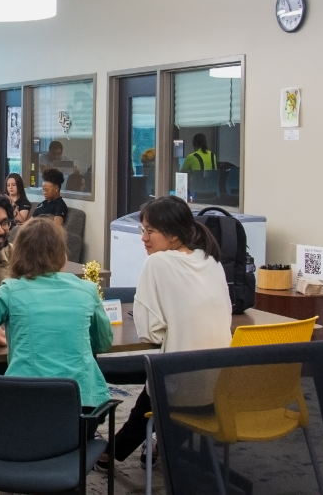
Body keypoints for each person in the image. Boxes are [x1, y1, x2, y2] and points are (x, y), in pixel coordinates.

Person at [98, 196, 232, 469]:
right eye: (142, 230)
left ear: (173, 235)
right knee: (166, 378)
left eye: (150, 231)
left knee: (161, 379)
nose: (143, 238)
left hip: (181, 386)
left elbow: (150, 333)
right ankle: (155, 446)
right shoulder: (211, 260)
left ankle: (114, 452)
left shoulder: (158, 263)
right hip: (223, 384)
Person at [0, 217, 113, 410]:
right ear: (61, 253)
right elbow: (103, 343)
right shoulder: (87, 290)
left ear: (18, 253)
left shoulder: (9, 291)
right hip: (83, 407)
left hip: (25, 407)